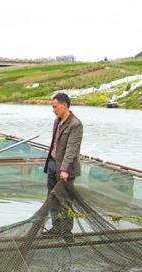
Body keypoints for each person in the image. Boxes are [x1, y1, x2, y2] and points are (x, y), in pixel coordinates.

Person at [43, 92, 83, 243]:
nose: (53, 110)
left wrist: (64, 169)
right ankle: (56, 227)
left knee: (65, 201)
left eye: (55, 107)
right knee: (52, 197)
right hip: (53, 164)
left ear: (64, 105)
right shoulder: (57, 121)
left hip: (66, 169)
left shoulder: (76, 124)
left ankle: (66, 231)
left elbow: (71, 150)